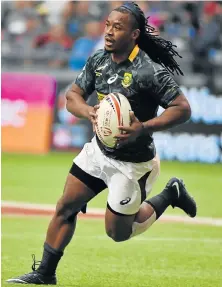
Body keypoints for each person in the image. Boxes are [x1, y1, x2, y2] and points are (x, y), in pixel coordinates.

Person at [7, 2, 197, 285]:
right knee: (65, 206)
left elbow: (182, 108)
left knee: (118, 233)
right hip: (97, 152)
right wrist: (89, 111)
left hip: (132, 165)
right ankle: (45, 274)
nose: (108, 31)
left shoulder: (150, 71)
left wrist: (142, 128)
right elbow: (72, 96)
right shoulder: (98, 60)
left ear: (134, 34)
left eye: (117, 27)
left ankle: (170, 194)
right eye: (108, 25)